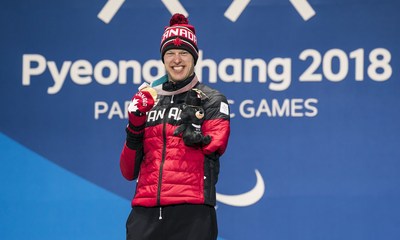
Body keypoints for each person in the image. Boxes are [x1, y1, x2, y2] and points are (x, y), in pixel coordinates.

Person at [120, 13, 230, 240]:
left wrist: (196, 132)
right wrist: (135, 124)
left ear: (194, 57)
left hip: (191, 212)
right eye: (170, 53)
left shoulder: (211, 98)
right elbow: (128, 171)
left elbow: (216, 144)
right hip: (145, 212)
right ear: (163, 58)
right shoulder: (150, 99)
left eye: (183, 53)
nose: (176, 59)